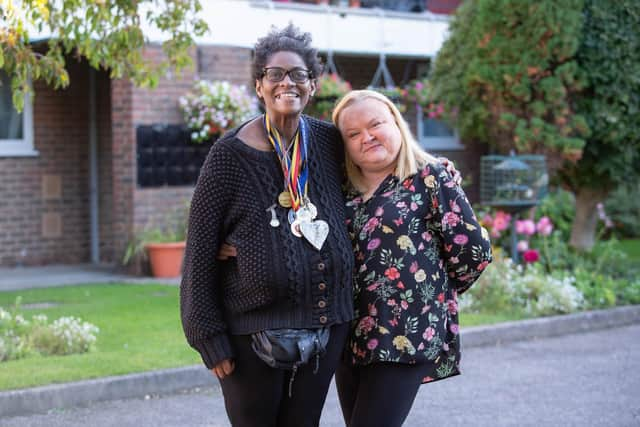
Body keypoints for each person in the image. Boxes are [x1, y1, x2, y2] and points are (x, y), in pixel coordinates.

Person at [179, 24, 355, 427]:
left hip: (326, 325)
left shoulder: (331, 144)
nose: (286, 82)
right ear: (259, 86)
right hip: (250, 335)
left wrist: (433, 170)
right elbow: (199, 255)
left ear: (312, 85)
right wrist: (206, 335)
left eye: (297, 74)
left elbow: (382, 166)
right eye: (275, 74)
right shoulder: (228, 156)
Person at [331, 90, 492, 427]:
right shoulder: (339, 188)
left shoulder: (431, 177)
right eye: (353, 134)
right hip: (348, 333)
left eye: (375, 124)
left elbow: (474, 251)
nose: (367, 137)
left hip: (404, 332)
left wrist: (429, 295)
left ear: (396, 123)